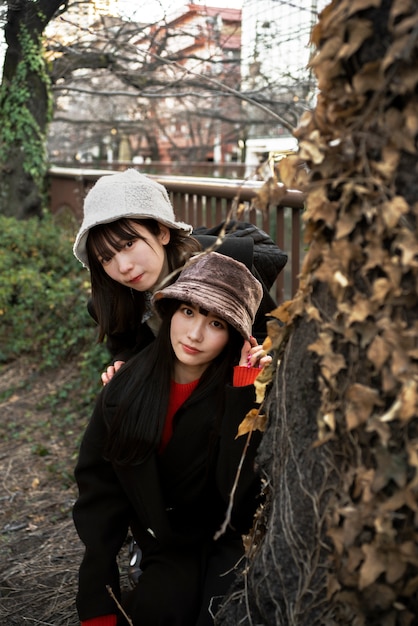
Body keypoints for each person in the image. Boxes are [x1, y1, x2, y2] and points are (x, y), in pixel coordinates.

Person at [72, 251, 272, 626]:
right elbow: (99, 494)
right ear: (171, 311)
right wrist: (96, 595)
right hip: (166, 541)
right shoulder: (125, 387)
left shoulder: (241, 392)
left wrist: (243, 391)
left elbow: (239, 496)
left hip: (229, 540)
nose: (195, 334)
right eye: (189, 312)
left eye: (216, 323)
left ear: (233, 336)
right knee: (158, 612)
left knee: (225, 615)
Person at [72, 168, 287, 384]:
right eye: (106, 258)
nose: (124, 267)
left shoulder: (222, 266)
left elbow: (271, 331)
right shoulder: (112, 300)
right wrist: (125, 365)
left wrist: (251, 364)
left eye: (129, 244)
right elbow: (125, 347)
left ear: (162, 232)